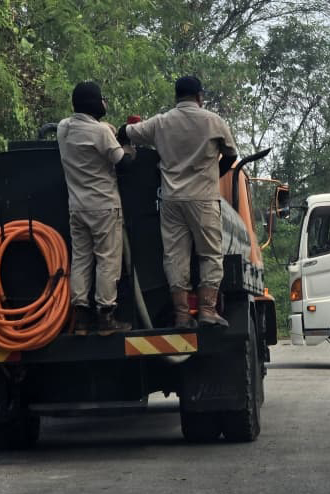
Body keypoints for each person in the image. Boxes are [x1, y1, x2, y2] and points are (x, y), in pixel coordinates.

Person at [118, 76, 238, 327]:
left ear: (176, 96)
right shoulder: (213, 121)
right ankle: (207, 310)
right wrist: (213, 176)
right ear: (199, 97)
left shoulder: (161, 122)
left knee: (175, 257)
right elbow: (230, 155)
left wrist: (127, 149)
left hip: (171, 200)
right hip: (203, 199)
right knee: (210, 254)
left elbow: (124, 132)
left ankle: (182, 315)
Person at [56, 81, 136, 336]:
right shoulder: (101, 133)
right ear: (94, 103)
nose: (104, 103)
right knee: (107, 261)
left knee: (81, 259)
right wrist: (128, 148)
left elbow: (90, 131)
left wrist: (106, 129)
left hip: (77, 207)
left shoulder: (63, 128)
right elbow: (122, 163)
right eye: (102, 99)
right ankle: (105, 316)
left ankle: (80, 318)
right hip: (103, 207)